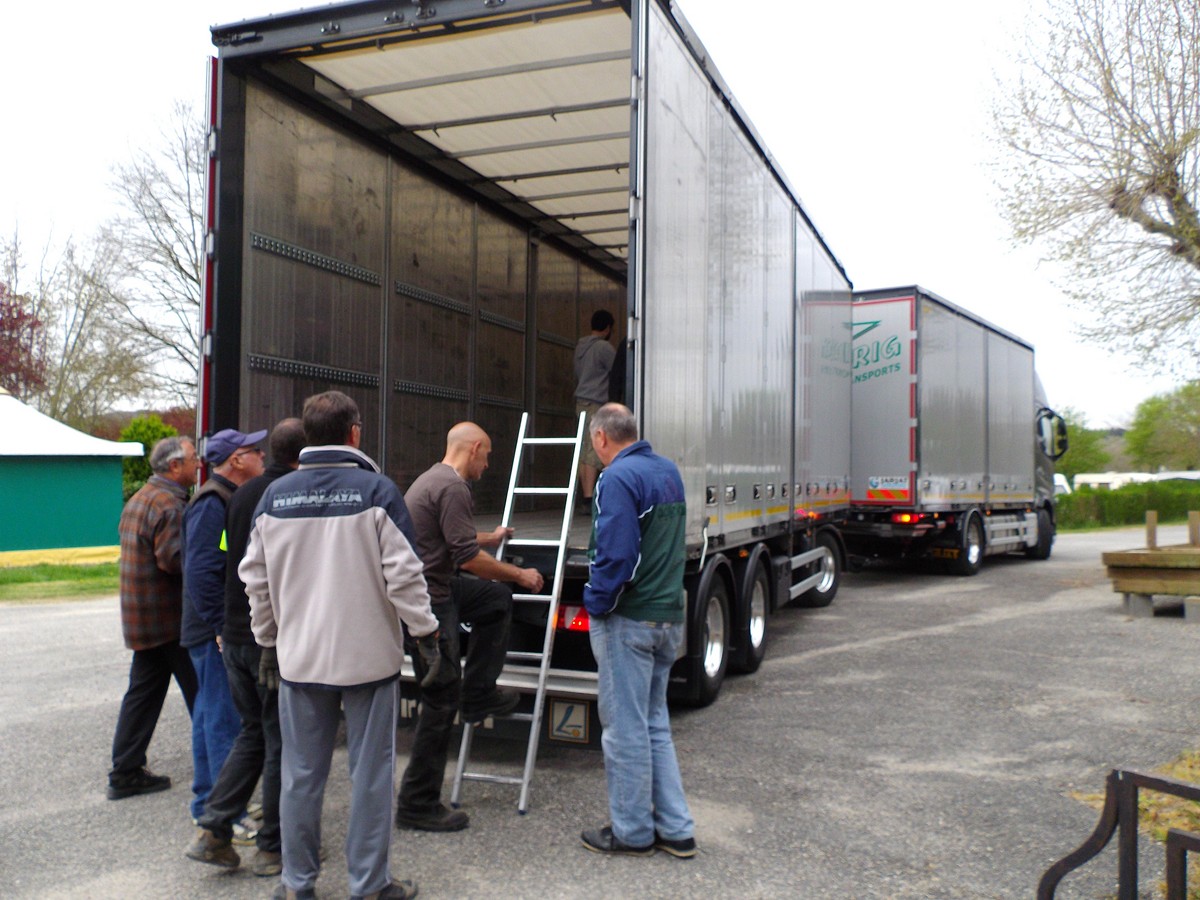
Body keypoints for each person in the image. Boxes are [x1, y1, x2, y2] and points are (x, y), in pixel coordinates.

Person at [241, 391, 440, 900]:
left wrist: (268, 641)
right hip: (367, 661)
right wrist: (426, 634)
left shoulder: (273, 498)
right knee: (370, 776)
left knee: (300, 776)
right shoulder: (377, 491)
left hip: (299, 661)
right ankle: (369, 885)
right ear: (355, 432)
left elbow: (255, 581)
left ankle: (296, 884)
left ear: (308, 436)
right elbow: (405, 577)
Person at [395, 422, 544, 832]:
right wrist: (519, 575)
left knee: (493, 600)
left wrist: (489, 538)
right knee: (441, 700)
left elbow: (453, 536)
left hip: (433, 587)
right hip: (430, 601)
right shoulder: (454, 487)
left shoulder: (433, 479)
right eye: (488, 454)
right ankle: (416, 803)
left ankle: (478, 694)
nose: (488, 462)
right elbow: (465, 557)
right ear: (474, 448)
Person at [186, 418, 305, 877]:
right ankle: (273, 848)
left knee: (253, 733)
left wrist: (224, 625)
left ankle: (214, 829)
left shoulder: (236, 500)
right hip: (263, 640)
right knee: (278, 740)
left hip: (237, 637)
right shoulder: (284, 496)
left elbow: (234, 562)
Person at [579, 403, 696, 859]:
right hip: (668, 613)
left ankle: (631, 832)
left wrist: (597, 603)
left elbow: (618, 555)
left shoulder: (616, 478)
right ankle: (676, 828)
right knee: (654, 725)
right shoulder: (667, 471)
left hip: (629, 618)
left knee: (624, 729)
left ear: (601, 439)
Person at [181, 427, 266, 825]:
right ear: (236, 460)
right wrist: (219, 624)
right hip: (210, 630)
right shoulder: (212, 503)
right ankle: (227, 816)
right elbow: (200, 570)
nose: (262, 456)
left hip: (208, 627)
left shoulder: (223, 498)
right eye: (255, 451)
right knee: (222, 719)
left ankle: (207, 805)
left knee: (208, 716)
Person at [107, 435, 200, 800]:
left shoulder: (141, 497)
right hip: (170, 621)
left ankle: (125, 771)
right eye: (192, 459)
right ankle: (222, 770)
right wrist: (220, 545)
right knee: (206, 695)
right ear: (174, 466)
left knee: (142, 695)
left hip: (143, 619)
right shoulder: (170, 506)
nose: (197, 464)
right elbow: (176, 561)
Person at [573, 309, 616, 505]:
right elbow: (618, 371)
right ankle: (589, 498)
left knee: (583, 449)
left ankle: (585, 494)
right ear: (607, 328)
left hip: (580, 402)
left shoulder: (580, 347)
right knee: (592, 449)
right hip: (595, 402)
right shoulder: (604, 348)